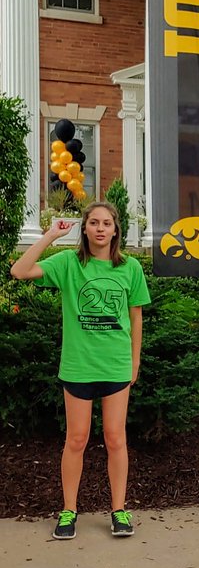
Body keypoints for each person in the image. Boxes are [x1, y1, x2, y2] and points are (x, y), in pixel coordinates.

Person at [11, 201, 150, 539]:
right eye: (93, 223)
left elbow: (135, 317)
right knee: (76, 439)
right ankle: (68, 511)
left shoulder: (130, 268)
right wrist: (50, 236)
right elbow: (19, 270)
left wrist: (135, 362)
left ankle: (119, 510)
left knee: (116, 439)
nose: (100, 228)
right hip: (78, 366)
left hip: (115, 365)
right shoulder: (69, 264)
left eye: (107, 223)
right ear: (84, 229)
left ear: (116, 230)